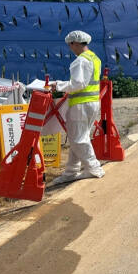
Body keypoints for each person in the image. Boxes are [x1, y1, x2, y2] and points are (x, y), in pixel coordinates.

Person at [51, 30, 105, 181]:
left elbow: (78, 83)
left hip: (80, 105)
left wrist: (58, 85)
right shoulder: (95, 58)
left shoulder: (80, 61)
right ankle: (71, 172)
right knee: (80, 137)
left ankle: (94, 168)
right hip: (92, 103)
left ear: (75, 43)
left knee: (78, 139)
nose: (70, 48)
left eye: (70, 45)